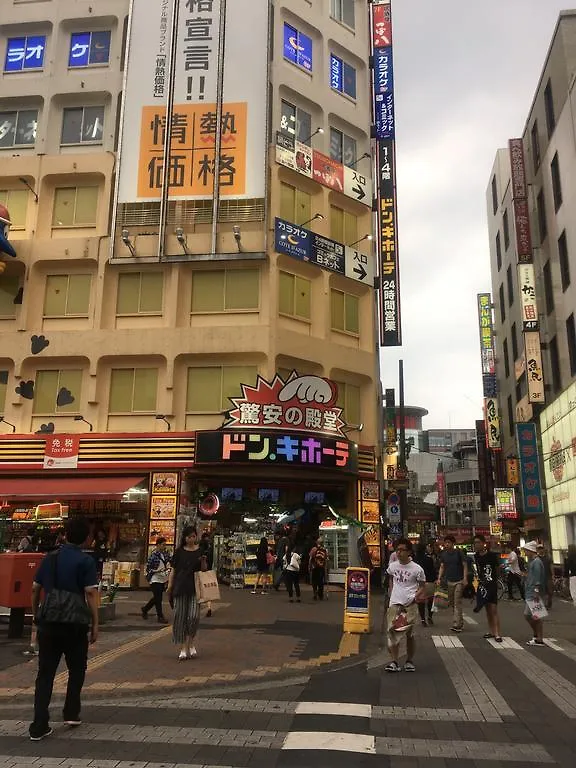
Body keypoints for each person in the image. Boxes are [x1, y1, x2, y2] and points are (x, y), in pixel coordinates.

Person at [29, 517, 99, 741]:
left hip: (49, 622)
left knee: (45, 674)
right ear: (86, 538)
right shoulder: (85, 561)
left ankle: (39, 725)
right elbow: (90, 593)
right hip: (75, 624)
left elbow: (34, 588)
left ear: (65, 535)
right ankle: (71, 712)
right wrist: (95, 623)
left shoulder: (50, 558)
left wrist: (36, 614)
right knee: (77, 668)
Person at [385, 538, 426, 673]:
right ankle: (394, 662)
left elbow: (422, 586)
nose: (399, 552)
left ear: (409, 552)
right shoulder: (393, 566)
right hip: (395, 603)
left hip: (410, 605)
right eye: (397, 550)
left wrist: (415, 596)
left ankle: (409, 660)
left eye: (402, 550)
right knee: (393, 632)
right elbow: (391, 578)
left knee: (410, 634)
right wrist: (391, 592)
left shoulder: (417, 569)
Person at [167, 526, 207, 660]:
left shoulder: (200, 551)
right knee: (180, 617)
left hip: (195, 587)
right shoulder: (179, 552)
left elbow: (204, 570)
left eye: (193, 536)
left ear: (196, 537)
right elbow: (173, 569)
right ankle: (183, 647)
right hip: (180, 587)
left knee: (193, 617)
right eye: (189, 536)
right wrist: (170, 585)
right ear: (184, 537)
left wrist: (203, 561)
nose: (191, 539)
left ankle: (191, 643)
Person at [473, 535, 502, 642]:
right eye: (475, 543)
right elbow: (477, 570)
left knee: (493, 609)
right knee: (488, 609)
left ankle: (497, 633)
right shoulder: (476, 556)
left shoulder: (492, 555)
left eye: (478, 542)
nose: (476, 545)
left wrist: (496, 580)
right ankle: (491, 631)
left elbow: (497, 568)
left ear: (483, 543)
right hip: (482, 585)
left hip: (492, 584)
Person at [436, 535, 468, 633]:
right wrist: (439, 578)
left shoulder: (459, 553)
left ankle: (457, 624)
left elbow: (464, 565)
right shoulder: (444, 554)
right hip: (449, 581)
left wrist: (465, 578)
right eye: (446, 542)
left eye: (449, 542)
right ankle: (460, 622)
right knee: (452, 603)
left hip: (459, 581)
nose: (447, 544)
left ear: (453, 543)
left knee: (457, 602)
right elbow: (442, 566)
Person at [141, 537, 170, 623]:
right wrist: (155, 570)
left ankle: (145, 609)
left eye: (165, 545)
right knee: (158, 597)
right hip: (154, 578)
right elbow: (148, 567)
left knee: (157, 597)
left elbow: (169, 561)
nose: (164, 546)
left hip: (162, 578)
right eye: (163, 545)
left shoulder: (165, 554)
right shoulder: (153, 555)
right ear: (158, 545)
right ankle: (160, 616)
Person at [523, 541, 546, 646]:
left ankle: (538, 637)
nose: (525, 552)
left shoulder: (536, 562)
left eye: (526, 550)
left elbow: (537, 578)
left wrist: (536, 591)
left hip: (534, 592)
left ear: (531, 550)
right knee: (534, 615)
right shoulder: (533, 561)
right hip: (530, 591)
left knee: (533, 615)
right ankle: (537, 636)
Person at [414, 542, 437, 626]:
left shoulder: (414, 560)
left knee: (421, 602)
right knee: (431, 601)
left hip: (419, 583)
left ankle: (423, 619)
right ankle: (430, 616)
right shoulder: (429, 559)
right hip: (429, 582)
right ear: (424, 550)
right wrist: (435, 579)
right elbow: (432, 570)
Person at [309, 536, 329, 601]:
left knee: (314, 581)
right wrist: (326, 568)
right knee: (321, 581)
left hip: (314, 567)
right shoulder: (325, 550)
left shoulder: (314, 549)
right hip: (321, 567)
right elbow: (326, 559)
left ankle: (315, 592)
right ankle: (320, 594)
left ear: (316, 542)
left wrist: (309, 566)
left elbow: (310, 558)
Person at [199, 532, 214, 616]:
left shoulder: (199, 550)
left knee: (199, 590)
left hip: (200, 572)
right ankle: (209, 607)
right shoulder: (210, 550)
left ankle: (198, 606)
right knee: (208, 590)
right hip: (208, 571)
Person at [536, 543, 554, 610]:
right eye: (539, 549)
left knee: (550, 591)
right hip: (540, 577)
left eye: (542, 548)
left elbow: (551, 566)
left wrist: (553, 575)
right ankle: (542, 605)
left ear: (543, 549)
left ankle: (549, 603)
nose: (541, 550)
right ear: (537, 550)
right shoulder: (536, 558)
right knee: (541, 592)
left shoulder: (548, 557)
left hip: (548, 576)